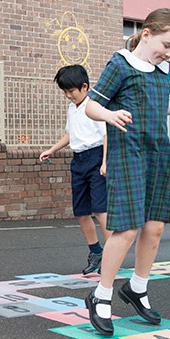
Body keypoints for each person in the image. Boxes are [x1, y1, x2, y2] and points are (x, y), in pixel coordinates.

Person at [83, 8, 170, 335]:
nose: (169, 53)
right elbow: (92, 105)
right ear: (147, 33)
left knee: (155, 227)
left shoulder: (160, 71)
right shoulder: (120, 65)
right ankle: (101, 295)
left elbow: (157, 108)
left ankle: (137, 287)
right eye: (167, 45)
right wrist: (109, 117)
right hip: (128, 153)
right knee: (126, 228)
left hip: (157, 152)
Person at [39, 65, 111, 275]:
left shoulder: (94, 105)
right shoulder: (72, 109)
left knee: (100, 210)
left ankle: (112, 254)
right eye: (65, 92)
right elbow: (70, 134)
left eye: (71, 91)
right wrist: (51, 149)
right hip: (78, 160)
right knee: (81, 212)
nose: (68, 96)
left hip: (96, 157)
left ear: (85, 86)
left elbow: (106, 135)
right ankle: (95, 252)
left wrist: (105, 162)